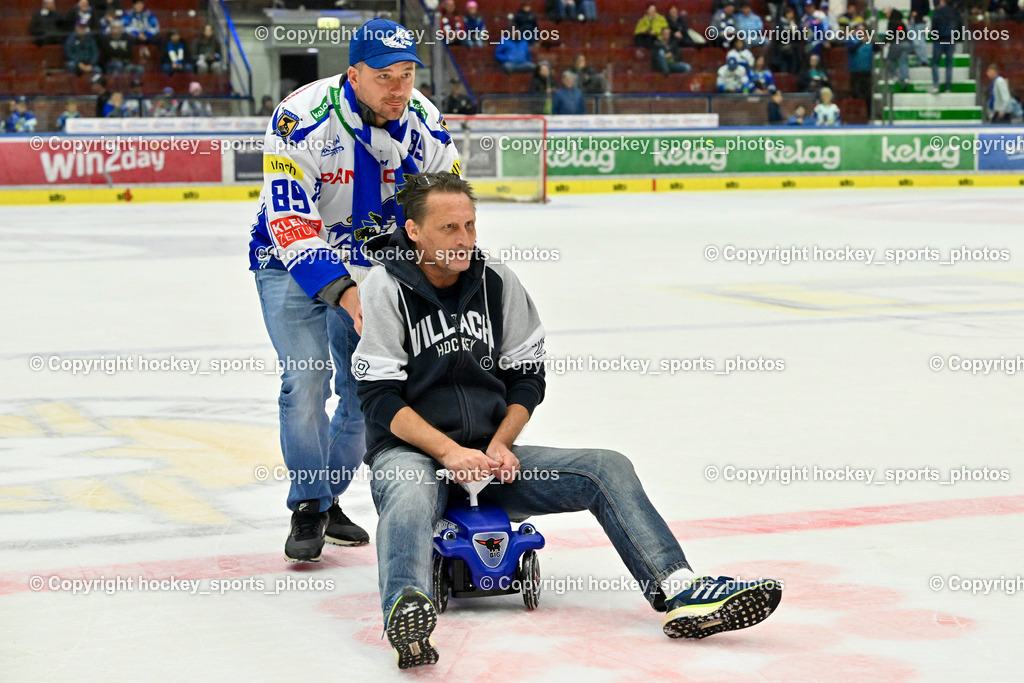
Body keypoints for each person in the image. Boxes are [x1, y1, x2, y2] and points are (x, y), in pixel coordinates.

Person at [351, 171, 783, 670]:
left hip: (489, 462)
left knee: (606, 467)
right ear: (413, 231)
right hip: (414, 455)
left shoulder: (496, 280)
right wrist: (447, 452)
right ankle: (408, 611)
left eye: (470, 225)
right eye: (449, 229)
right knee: (406, 487)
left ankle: (679, 589)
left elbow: (527, 376)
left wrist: (500, 444)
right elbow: (379, 398)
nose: (465, 239)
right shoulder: (385, 287)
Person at [247, 18, 461, 563]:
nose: (398, 88)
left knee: (364, 392)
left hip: (375, 266)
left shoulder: (427, 125)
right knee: (306, 382)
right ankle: (308, 504)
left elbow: (444, 213)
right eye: (384, 75)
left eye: (408, 74)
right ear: (354, 74)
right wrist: (342, 290)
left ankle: (325, 500)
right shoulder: (300, 118)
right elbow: (290, 216)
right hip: (289, 259)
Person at [930, 0, 959, 93]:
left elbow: (934, 26)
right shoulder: (955, 12)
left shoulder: (938, 12)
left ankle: (936, 85)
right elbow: (960, 26)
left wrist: (933, 37)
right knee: (949, 64)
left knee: (935, 63)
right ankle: (948, 87)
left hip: (939, 39)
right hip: (951, 39)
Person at [884, 7, 911, 91]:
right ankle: (905, 78)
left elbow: (890, 35)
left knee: (890, 59)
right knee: (903, 61)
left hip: (896, 43)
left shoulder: (892, 23)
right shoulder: (901, 23)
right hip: (906, 43)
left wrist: (882, 43)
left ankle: (894, 76)